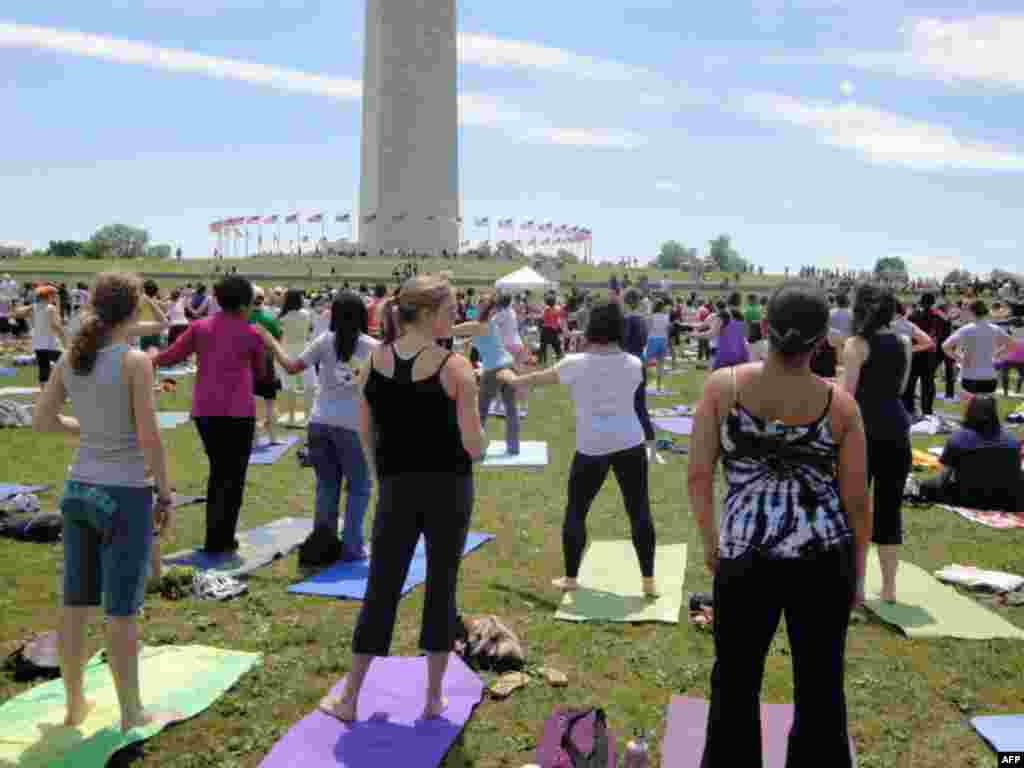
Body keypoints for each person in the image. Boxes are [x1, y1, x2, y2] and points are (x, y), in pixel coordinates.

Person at [687, 284, 869, 768]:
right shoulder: (841, 406)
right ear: (820, 342)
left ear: (763, 329)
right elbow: (856, 503)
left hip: (745, 554)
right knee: (821, 683)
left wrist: (712, 543)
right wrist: (858, 573)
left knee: (735, 681)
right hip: (824, 557)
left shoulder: (722, 388)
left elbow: (699, 474)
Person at [318, 275, 487, 723]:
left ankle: (351, 698)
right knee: (441, 585)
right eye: (451, 311)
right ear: (429, 314)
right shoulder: (455, 368)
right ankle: (432, 700)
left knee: (382, 587)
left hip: (397, 489)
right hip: (449, 490)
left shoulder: (374, 362)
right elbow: (475, 446)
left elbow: (365, 430)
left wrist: (382, 475)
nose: (456, 318)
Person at [33, 272, 181, 734]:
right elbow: (148, 435)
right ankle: (130, 711)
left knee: (74, 603)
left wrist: (89, 432)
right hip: (124, 494)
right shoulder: (135, 361)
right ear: (135, 308)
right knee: (120, 610)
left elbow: (42, 421)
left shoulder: (71, 358)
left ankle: (74, 704)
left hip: (78, 490)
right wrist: (166, 491)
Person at [511, 298, 659, 597]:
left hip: (592, 446)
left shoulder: (575, 363)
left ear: (592, 327)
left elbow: (537, 379)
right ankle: (648, 581)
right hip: (630, 441)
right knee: (639, 509)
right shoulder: (635, 364)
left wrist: (512, 379)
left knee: (576, 511)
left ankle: (571, 578)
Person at [259, 291, 379, 563]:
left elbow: (291, 367)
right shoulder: (373, 347)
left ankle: (323, 545)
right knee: (360, 487)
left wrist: (271, 342)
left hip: (319, 423)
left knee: (327, 485)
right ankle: (352, 548)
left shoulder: (324, 341)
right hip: (352, 427)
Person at [151, 276, 266, 554]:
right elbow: (262, 374)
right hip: (239, 412)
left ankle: (215, 538)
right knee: (234, 477)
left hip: (206, 412)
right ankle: (223, 538)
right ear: (245, 302)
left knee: (218, 472)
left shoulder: (200, 327)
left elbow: (171, 356)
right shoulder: (252, 334)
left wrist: (148, 358)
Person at [842, 285, 911, 604]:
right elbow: (900, 385)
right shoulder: (904, 342)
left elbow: (848, 396)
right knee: (890, 509)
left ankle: (855, 587)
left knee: (855, 508)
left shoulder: (856, 344)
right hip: (897, 427)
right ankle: (889, 588)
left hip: (863, 431)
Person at [920, 396, 1022, 511]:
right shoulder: (1011, 440)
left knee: (926, 486)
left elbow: (944, 477)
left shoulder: (957, 439)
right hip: (1005, 498)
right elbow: (1015, 473)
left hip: (966, 497)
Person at [453, 294, 520, 455]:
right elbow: (475, 338)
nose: (476, 306)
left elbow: (452, 330)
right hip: (508, 365)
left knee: (480, 411)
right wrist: (464, 343)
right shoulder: (490, 325)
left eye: (479, 304)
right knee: (510, 408)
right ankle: (513, 448)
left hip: (493, 370)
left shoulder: (478, 325)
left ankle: (476, 449)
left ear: (481, 308)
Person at [623, 290, 663, 465]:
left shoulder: (628, 321)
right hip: (639, 364)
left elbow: (623, 344)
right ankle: (652, 452)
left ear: (626, 302)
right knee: (640, 408)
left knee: (626, 408)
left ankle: (628, 448)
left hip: (628, 366)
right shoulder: (642, 320)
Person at [942, 300, 1011, 397]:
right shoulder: (995, 329)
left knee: (970, 410)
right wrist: (997, 354)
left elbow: (945, 346)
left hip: (969, 376)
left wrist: (960, 359)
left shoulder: (965, 329)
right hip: (990, 377)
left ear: (971, 312)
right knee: (987, 409)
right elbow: (1011, 344)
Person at [248, 286, 284, 446]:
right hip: (267, 362)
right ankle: (273, 438)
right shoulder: (270, 318)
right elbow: (278, 339)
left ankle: (255, 439)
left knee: (251, 403)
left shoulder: (243, 318)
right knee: (270, 401)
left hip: (248, 363)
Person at [902, 294, 948, 417]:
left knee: (911, 384)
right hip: (930, 354)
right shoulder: (940, 317)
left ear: (921, 302)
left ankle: (909, 410)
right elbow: (945, 336)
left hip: (915, 352)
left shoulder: (913, 316)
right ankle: (927, 411)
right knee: (928, 384)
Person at [12, 285, 67, 386]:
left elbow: (18, 313)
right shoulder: (50, 308)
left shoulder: (34, 307)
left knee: (43, 370)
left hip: (38, 344)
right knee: (67, 364)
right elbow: (56, 325)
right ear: (49, 296)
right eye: (54, 295)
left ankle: (44, 394)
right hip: (51, 344)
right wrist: (65, 340)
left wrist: (18, 304)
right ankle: (63, 389)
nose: (55, 298)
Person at [278, 289, 315, 425]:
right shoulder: (306, 314)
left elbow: (281, 337)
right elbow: (309, 331)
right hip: (304, 350)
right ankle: (308, 415)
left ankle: (291, 416)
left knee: (289, 386)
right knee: (309, 384)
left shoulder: (283, 317)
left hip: (287, 351)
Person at [538, 294, 565, 366]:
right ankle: (560, 361)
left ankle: (541, 361)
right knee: (557, 346)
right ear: (554, 302)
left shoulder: (545, 310)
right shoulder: (557, 309)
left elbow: (542, 319)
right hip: (553, 330)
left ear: (547, 302)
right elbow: (560, 317)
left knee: (543, 346)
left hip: (545, 330)